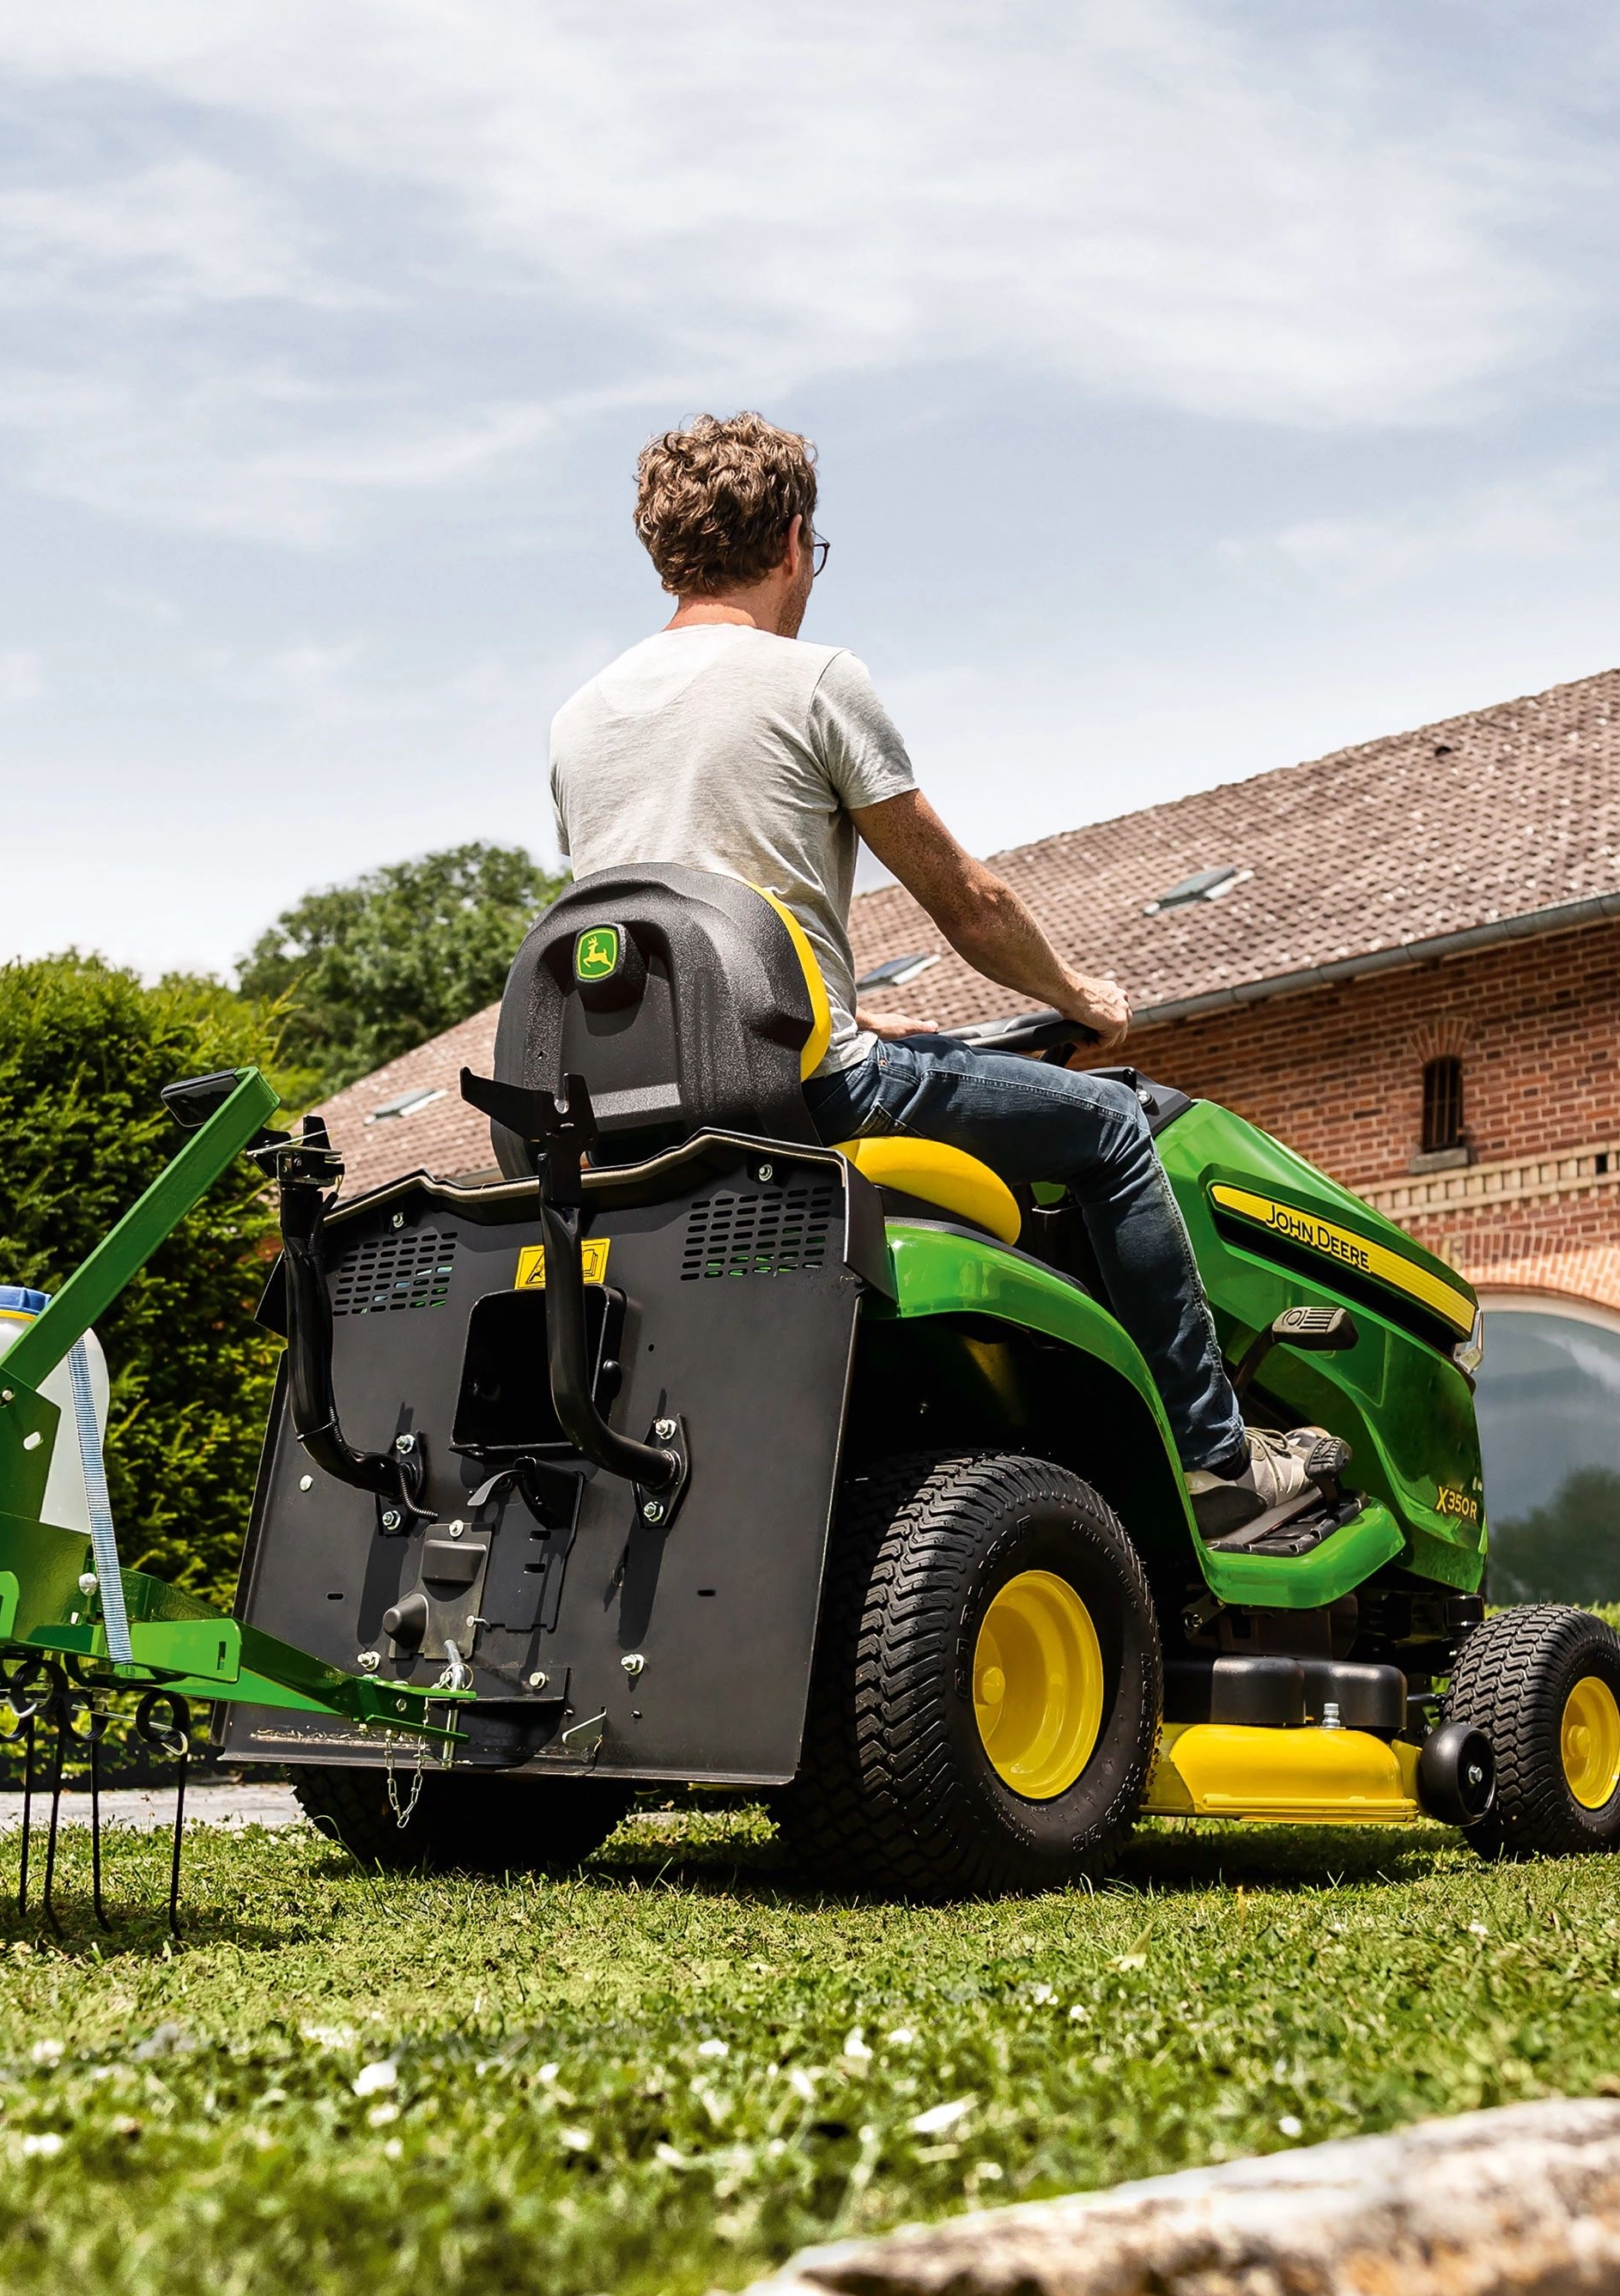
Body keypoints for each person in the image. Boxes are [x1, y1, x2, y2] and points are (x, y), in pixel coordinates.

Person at [546, 413, 1343, 1548]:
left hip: (645, 1116)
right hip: (816, 1093)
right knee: (1116, 1133)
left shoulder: (580, 723)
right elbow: (965, 900)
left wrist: (851, 1008)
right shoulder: (813, 681)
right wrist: (1081, 998)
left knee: (956, 1075)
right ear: (791, 542)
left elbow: (672, 934)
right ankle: (1219, 1464)